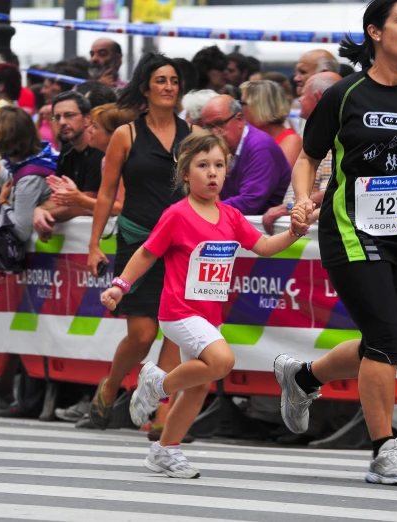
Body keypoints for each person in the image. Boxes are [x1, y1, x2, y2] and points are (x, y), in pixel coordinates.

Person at [277, 0, 397, 486]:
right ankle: (384, 451)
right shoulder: (344, 94)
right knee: (384, 335)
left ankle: (304, 377)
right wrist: (301, 201)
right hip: (348, 230)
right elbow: (306, 157)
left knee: (389, 342)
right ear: (375, 32)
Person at [100, 131, 309, 478]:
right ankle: (157, 385)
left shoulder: (230, 217)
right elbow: (147, 252)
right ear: (185, 174)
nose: (212, 173)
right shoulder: (177, 215)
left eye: (219, 165)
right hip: (179, 312)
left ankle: (165, 450)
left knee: (198, 388)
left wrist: (295, 233)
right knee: (222, 360)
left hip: (208, 316)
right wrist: (120, 286)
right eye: (202, 165)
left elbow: (266, 246)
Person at [86, 53, 191, 433]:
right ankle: (110, 387)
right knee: (143, 335)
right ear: (146, 87)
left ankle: (163, 417)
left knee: (176, 332)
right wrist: (94, 244)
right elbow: (105, 193)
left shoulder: (190, 133)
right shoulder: (125, 134)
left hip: (180, 246)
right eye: (161, 80)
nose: (168, 87)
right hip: (136, 242)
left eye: (174, 81)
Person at [263, 71, 340, 235]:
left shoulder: (336, 139)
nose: (299, 101)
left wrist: (292, 207)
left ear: (318, 98)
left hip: (321, 235)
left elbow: (335, 192)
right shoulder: (318, 134)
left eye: (303, 95)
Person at [200, 95, 292, 216]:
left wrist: (205, 210)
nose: (214, 132)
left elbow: (250, 202)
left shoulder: (260, 147)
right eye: (208, 127)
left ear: (239, 119)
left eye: (219, 124)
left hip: (266, 230)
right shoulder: (224, 147)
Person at [32, 92, 104, 240]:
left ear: (87, 119)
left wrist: (47, 214)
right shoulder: (66, 151)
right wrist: (40, 210)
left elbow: (85, 205)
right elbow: (58, 198)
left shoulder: (99, 151)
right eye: (57, 117)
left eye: (69, 115)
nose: (62, 122)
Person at [0, 106, 58, 242]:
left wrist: (3, 203)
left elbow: (22, 232)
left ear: (5, 136)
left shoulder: (29, 178)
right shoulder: (40, 157)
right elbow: (12, 182)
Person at [240, 80, 303, 168]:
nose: (240, 109)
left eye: (243, 103)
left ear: (259, 107)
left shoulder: (292, 142)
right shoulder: (248, 136)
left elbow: (274, 179)